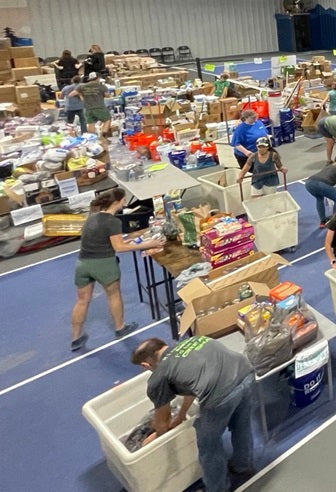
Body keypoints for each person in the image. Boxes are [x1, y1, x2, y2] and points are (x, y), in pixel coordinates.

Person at [131, 336, 254, 492]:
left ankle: (217, 488)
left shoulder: (159, 376)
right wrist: (181, 415)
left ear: (145, 365)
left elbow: (163, 421)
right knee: (241, 426)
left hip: (220, 397)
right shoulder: (195, 340)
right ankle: (243, 466)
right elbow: (193, 384)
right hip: (246, 373)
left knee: (209, 446)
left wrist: (155, 438)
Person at [70, 189, 160, 351]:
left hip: (83, 264)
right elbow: (119, 247)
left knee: (82, 301)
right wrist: (149, 244)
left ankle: (75, 338)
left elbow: (104, 238)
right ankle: (120, 328)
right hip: (104, 265)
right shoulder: (113, 222)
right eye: (123, 200)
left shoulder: (91, 218)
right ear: (118, 202)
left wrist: (132, 237)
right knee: (113, 295)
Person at [305, 159, 336, 224]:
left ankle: (323, 221)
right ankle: (335, 222)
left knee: (319, 199)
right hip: (321, 184)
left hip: (309, 183)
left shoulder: (330, 166)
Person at [77, 72, 111, 138]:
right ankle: (103, 135)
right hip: (100, 107)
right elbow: (107, 96)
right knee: (107, 120)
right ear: (98, 78)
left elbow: (75, 93)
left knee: (90, 124)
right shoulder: (102, 86)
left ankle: (92, 138)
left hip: (88, 108)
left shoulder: (82, 86)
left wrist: (82, 97)